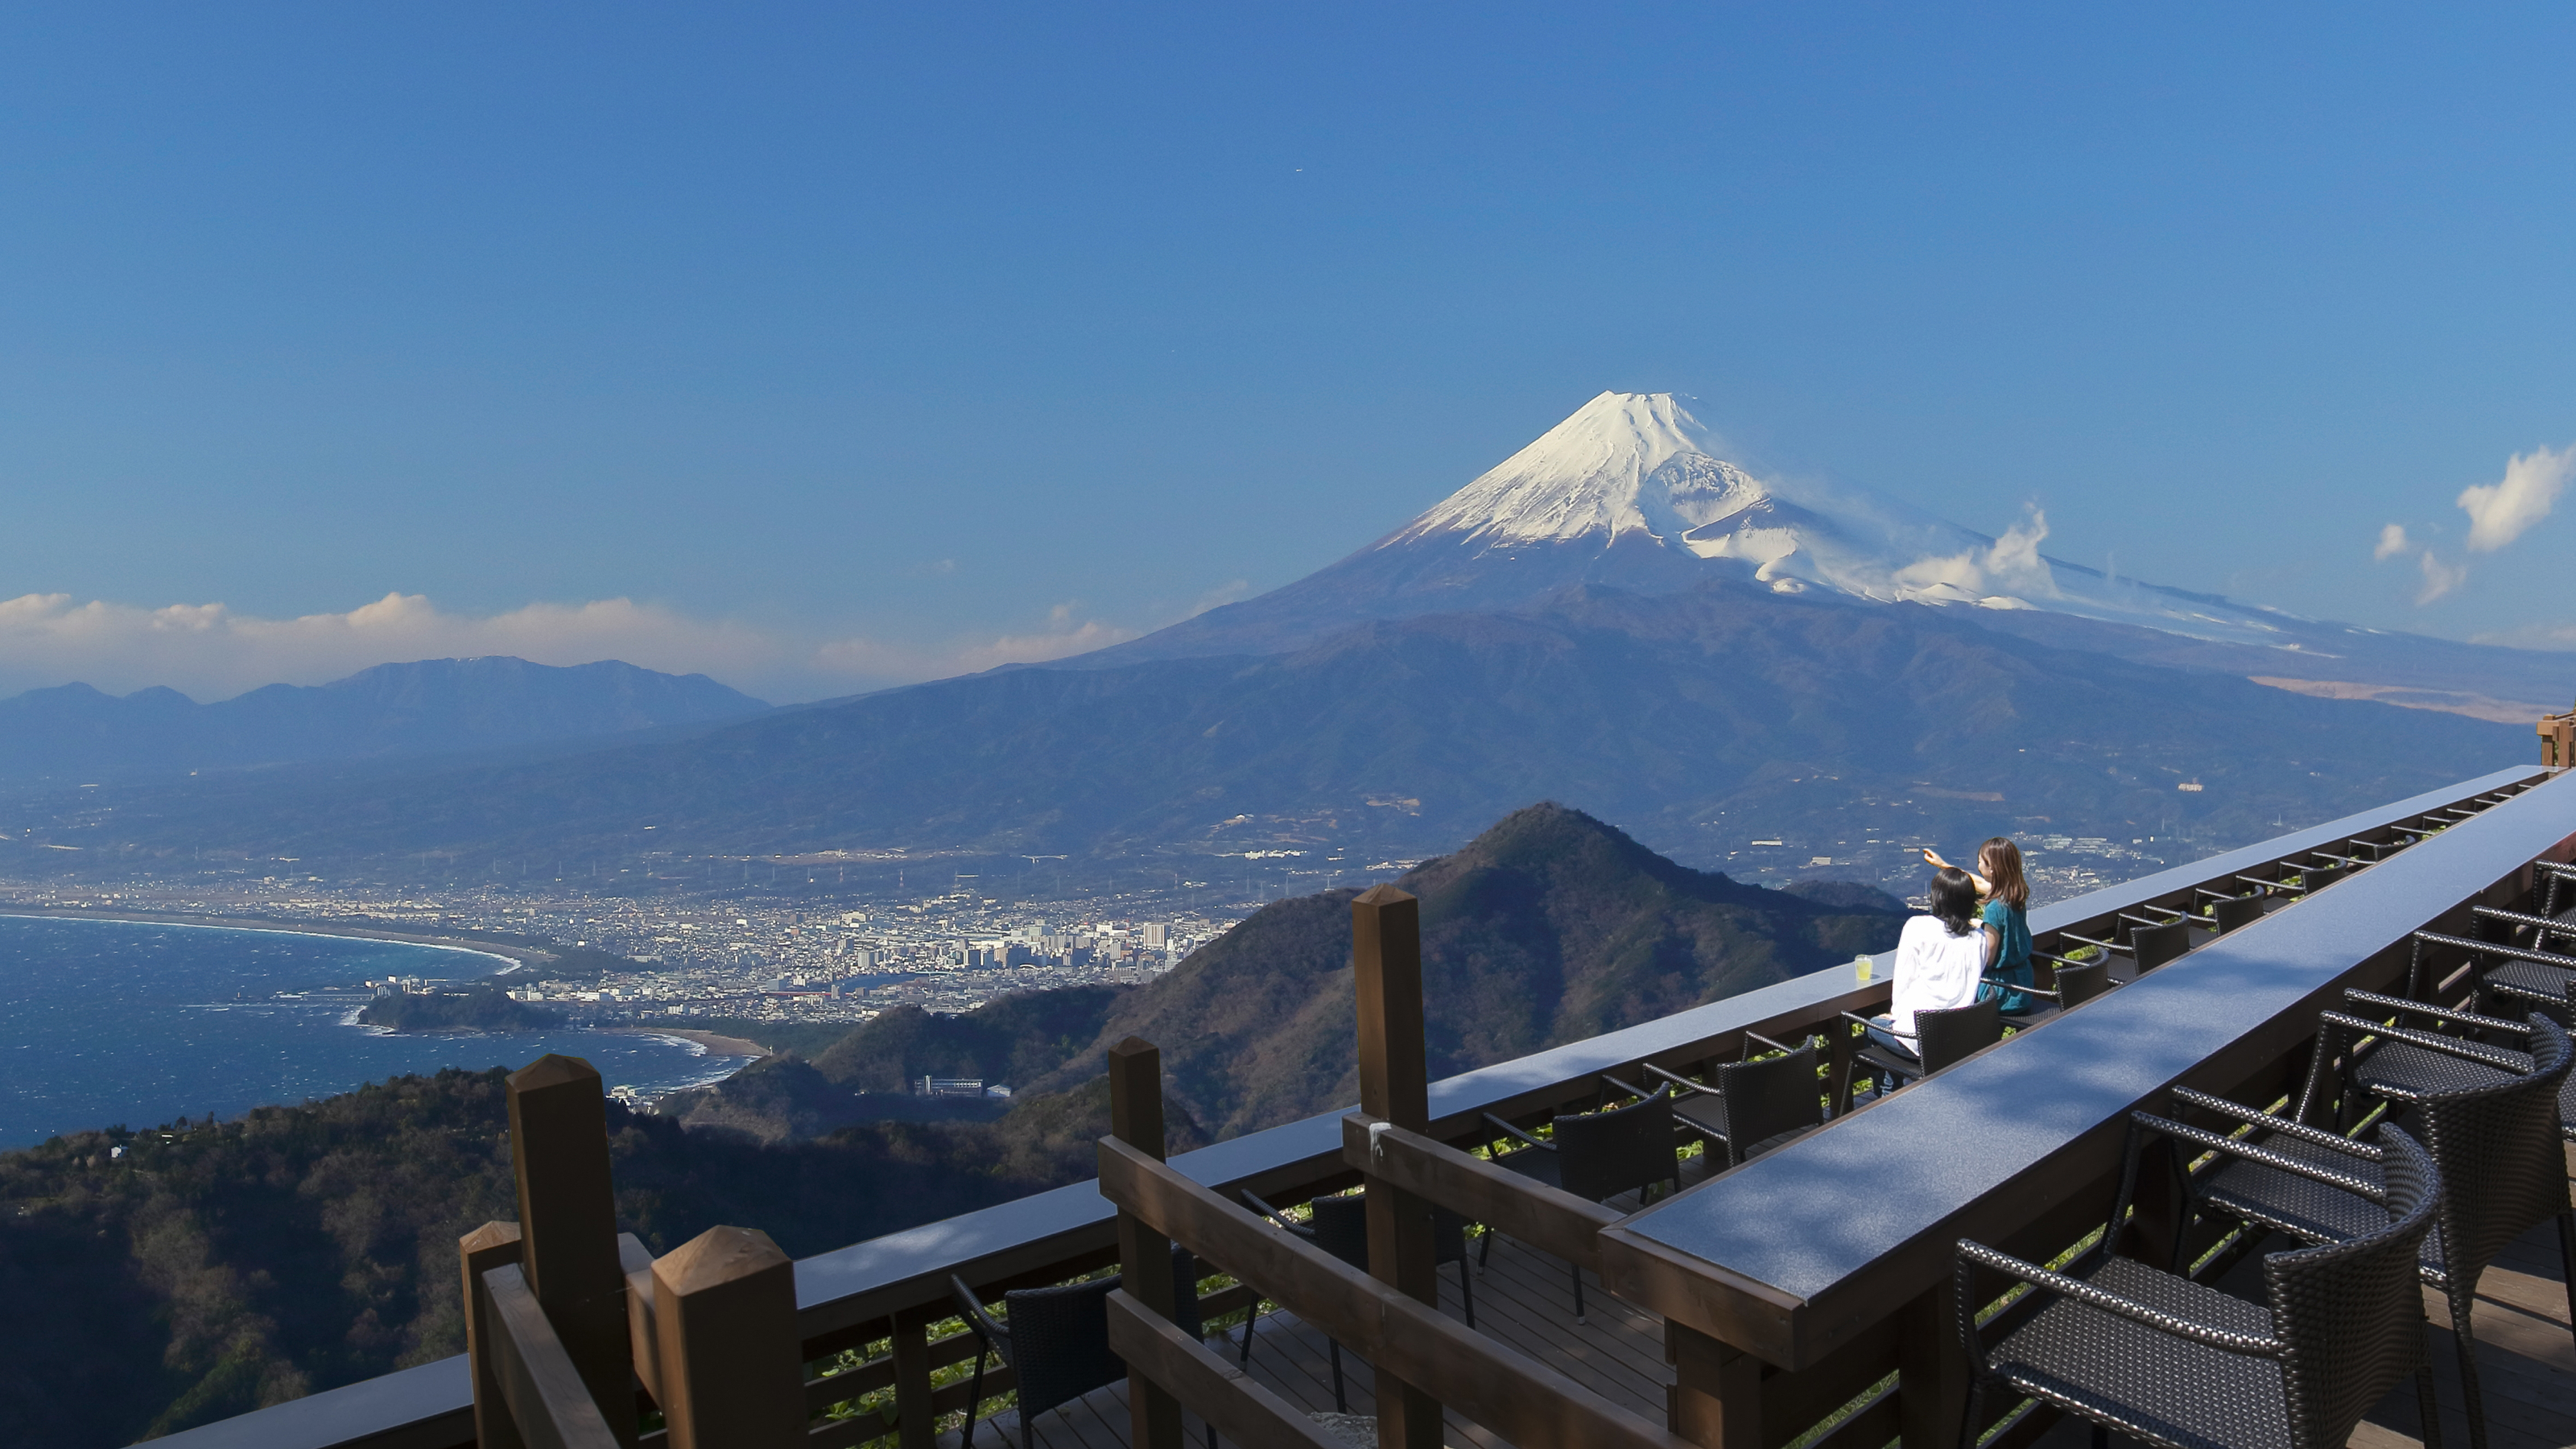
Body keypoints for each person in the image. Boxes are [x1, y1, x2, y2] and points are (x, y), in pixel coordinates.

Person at [1866, 866, 1990, 1078]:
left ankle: (1886, 1094)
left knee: (1872, 1028)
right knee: (1894, 1037)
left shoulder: (1918, 927)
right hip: (1958, 1040)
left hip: (1918, 1037)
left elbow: (1903, 981)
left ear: (1937, 897)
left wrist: (1896, 1017)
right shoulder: (1979, 939)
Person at [1922, 837, 2036, 1015]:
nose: (1978, 864)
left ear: (1992, 868)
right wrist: (1943, 865)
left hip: (1998, 992)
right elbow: (1979, 884)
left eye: (1981, 861)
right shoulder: (2014, 895)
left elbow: (1988, 957)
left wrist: (1975, 931)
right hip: (2022, 986)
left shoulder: (1995, 908)